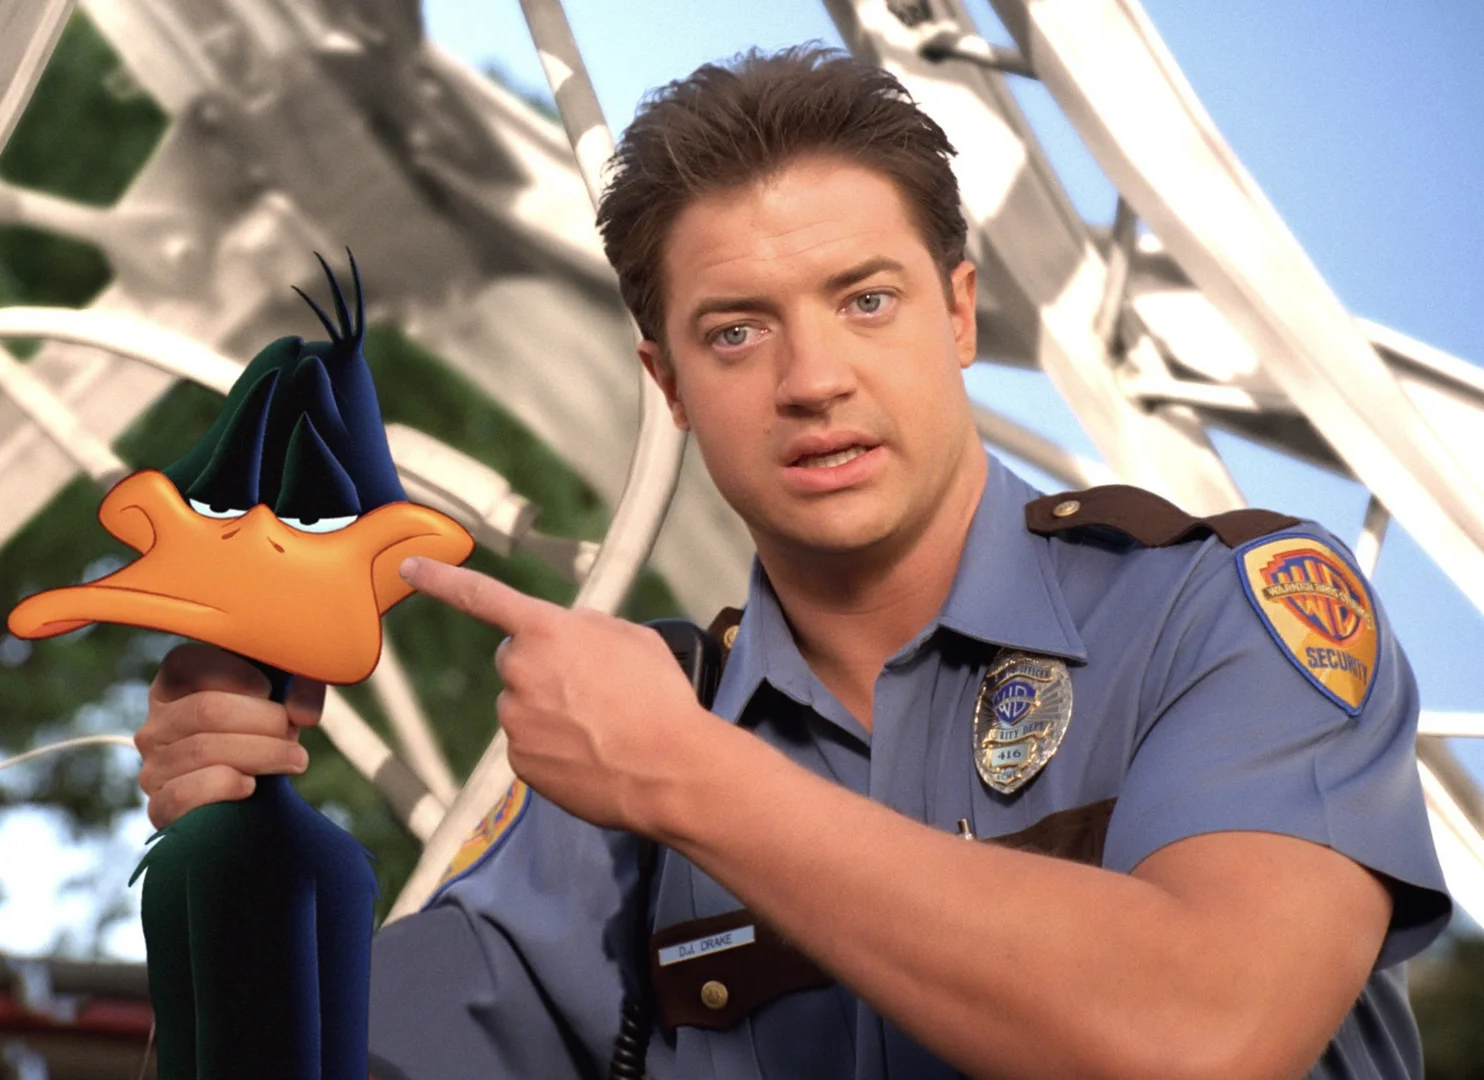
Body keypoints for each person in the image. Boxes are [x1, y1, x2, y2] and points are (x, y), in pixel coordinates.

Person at [132, 46, 1451, 1080]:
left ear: (958, 313)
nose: (814, 379)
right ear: (666, 381)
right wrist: (243, 872)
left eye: (866, 301)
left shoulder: (1220, 616)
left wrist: (685, 779)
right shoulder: (621, 751)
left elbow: (1207, 1031)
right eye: (736, 331)